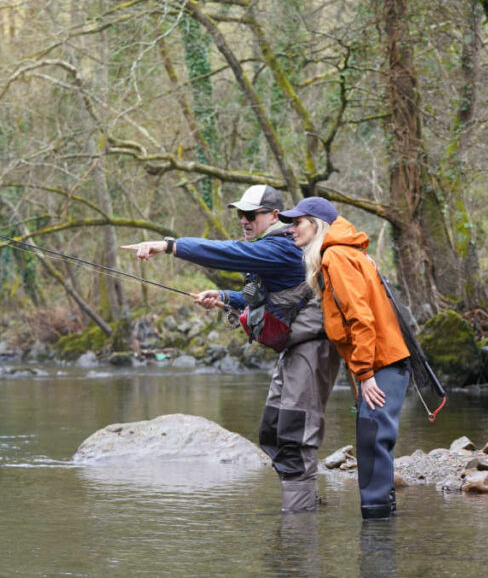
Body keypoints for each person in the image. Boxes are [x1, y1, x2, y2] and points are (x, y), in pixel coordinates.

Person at [122, 185, 342, 512]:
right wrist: (225, 297)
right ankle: (306, 501)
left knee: (294, 437)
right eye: (240, 213)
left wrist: (168, 245)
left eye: (250, 214)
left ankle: (298, 523)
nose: (243, 219)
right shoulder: (275, 248)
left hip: (313, 349)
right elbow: (270, 298)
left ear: (274, 216)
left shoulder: (283, 248)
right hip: (295, 348)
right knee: (271, 429)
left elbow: (231, 253)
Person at [278, 196, 411, 521]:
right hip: (384, 362)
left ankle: (377, 535)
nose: (290, 229)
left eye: (298, 222)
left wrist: (364, 374)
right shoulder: (344, 253)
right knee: (374, 444)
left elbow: (361, 319)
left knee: (372, 444)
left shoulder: (336, 257)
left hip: (381, 364)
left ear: (318, 224)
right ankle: (382, 526)